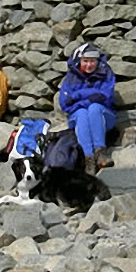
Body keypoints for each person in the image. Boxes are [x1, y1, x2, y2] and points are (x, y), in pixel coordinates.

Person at [59, 43, 116, 175]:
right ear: (79, 60)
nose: (89, 65)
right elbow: (64, 104)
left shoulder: (106, 73)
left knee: (94, 108)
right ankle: (88, 158)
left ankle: (100, 152)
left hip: (103, 116)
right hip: (78, 117)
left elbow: (105, 97)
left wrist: (77, 96)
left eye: (92, 61)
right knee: (83, 112)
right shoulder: (70, 78)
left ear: (97, 61)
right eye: (85, 61)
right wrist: (90, 97)